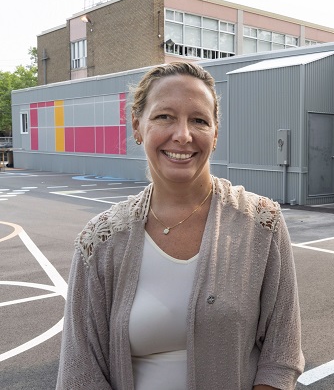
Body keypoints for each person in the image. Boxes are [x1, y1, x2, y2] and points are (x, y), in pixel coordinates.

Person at [56, 62, 304, 389]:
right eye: (164, 116)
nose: (183, 135)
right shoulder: (98, 243)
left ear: (215, 135)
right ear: (137, 126)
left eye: (199, 120)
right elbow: (80, 371)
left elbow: (280, 355)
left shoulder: (261, 224)